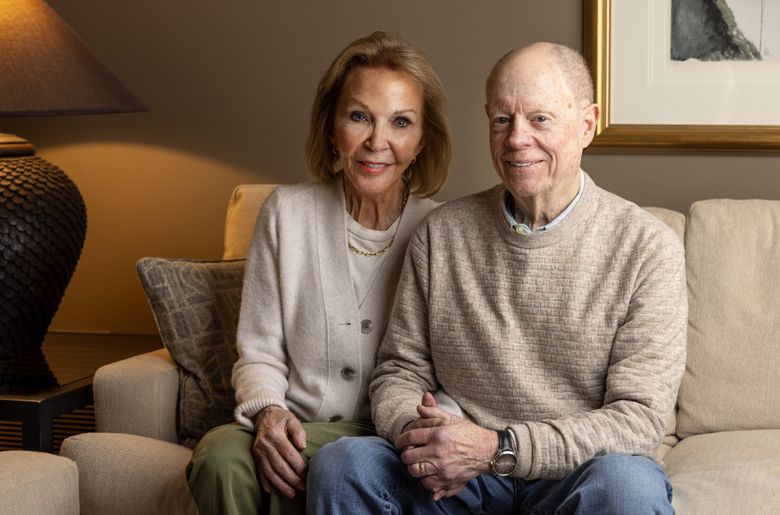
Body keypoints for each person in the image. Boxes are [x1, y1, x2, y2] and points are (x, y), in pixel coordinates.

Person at [307, 42, 687, 514]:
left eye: (540, 119)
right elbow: (399, 371)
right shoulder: (441, 235)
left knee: (629, 488)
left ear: (586, 125)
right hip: (455, 479)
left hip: (575, 475)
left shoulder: (647, 248)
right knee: (343, 466)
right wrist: (424, 439)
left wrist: (495, 448)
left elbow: (638, 419)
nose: (516, 139)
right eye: (502, 120)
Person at [185, 31, 452, 515]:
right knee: (220, 458)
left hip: (394, 441)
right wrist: (269, 413)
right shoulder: (286, 213)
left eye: (400, 122)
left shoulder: (444, 229)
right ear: (332, 128)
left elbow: (461, 369)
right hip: (298, 430)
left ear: (422, 138)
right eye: (359, 117)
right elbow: (259, 351)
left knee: (347, 464)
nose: (377, 141)